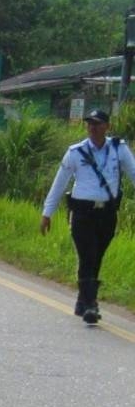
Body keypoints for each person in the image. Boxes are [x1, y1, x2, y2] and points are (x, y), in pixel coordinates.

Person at [40, 109, 135, 323]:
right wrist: (47, 213)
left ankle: (83, 300)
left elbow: (134, 173)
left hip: (107, 212)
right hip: (82, 212)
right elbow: (59, 183)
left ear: (106, 127)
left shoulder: (118, 149)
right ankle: (91, 305)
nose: (93, 127)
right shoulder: (75, 152)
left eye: (98, 123)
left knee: (97, 256)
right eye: (90, 124)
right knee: (88, 254)